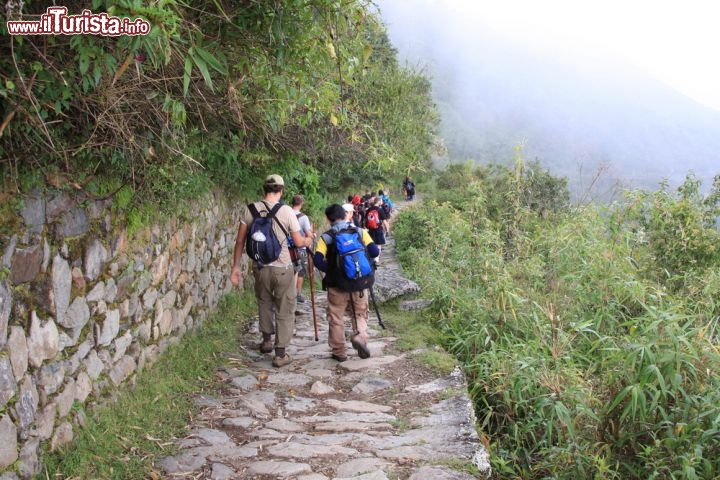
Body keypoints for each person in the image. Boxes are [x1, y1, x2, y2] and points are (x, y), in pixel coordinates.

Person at [230, 174, 313, 368]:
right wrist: (309, 239)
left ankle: (266, 341)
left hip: (260, 267)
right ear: (281, 191)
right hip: (283, 268)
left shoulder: (250, 209)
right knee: (285, 307)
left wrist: (235, 267)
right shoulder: (287, 211)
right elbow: (299, 242)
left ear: (264, 189)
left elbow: (240, 241)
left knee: (264, 302)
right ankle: (280, 353)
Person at [313, 204, 380, 362]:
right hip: (359, 282)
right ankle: (360, 337)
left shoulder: (326, 237)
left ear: (328, 219)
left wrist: (331, 270)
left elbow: (317, 260)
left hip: (337, 284)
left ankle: (339, 351)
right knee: (360, 313)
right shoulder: (359, 231)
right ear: (345, 215)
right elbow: (375, 251)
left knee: (336, 316)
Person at [290, 194, 315, 305]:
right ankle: (297, 293)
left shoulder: (286, 213)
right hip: (300, 247)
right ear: (302, 204)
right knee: (300, 271)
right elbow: (308, 233)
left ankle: (288, 293)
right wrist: (313, 235)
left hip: (286, 248)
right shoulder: (303, 217)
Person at [365, 197, 390, 263]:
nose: (381, 202)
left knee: (372, 242)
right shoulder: (380, 210)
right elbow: (384, 221)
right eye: (381, 201)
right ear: (378, 201)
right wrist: (387, 230)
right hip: (378, 229)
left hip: (370, 229)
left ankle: (373, 257)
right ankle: (376, 258)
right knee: (378, 244)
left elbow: (366, 220)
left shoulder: (369, 209)